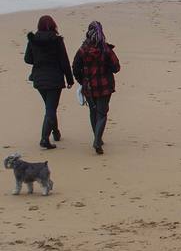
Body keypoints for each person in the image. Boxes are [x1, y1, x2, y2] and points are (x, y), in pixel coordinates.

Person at [24, 15, 72, 150]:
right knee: (51, 108)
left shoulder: (33, 40)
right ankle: (44, 138)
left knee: (49, 107)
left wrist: (38, 57)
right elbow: (64, 61)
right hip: (54, 79)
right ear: (53, 25)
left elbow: (28, 59)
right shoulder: (57, 41)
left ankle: (56, 133)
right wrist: (70, 79)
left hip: (39, 79)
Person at [72, 21, 120, 155]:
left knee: (93, 112)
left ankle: (97, 137)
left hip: (89, 87)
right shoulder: (106, 49)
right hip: (105, 86)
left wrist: (82, 81)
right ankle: (97, 140)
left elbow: (75, 67)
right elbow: (116, 67)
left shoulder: (83, 50)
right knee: (102, 114)